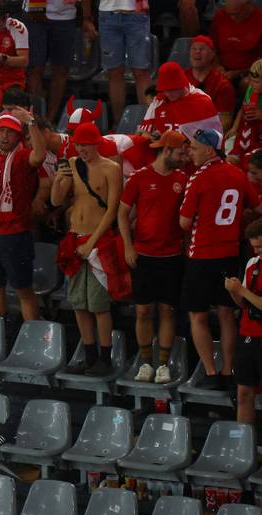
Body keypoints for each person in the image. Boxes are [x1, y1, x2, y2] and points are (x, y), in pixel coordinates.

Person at [181, 129, 262, 391]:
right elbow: (257, 208)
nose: (189, 152)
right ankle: (229, 371)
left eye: (193, 147)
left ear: (209, 149)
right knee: (227, 314)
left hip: (202, 254)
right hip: (229, 254)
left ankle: (211, 372)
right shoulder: (237, 174)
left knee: (198, 316)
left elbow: (183, 222)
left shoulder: (199, 177)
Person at [52, 123, 126, 376]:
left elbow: (112, 211)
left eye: (86, 145)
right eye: (78, 145)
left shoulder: (111, 168)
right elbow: (55, 200)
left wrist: (91, 242)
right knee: (78, 304)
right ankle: (89, 354)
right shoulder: (71, 164)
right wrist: (60, 179)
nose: (81, 150)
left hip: (98, 241)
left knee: (98, 304)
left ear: (96, 144)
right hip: (75, 239)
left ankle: (105, 357)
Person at [118, 130, 188, 383]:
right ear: (166, 150)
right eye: (180, 153)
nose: (184, 157)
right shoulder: (139, 178)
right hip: (144, 255)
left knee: (168, 311)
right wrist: (128, 246)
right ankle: (146, 363)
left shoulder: (183, 178)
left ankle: (163, 365)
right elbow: (122, 213)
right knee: (143, 311)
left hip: (171, 256)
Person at [0, 109, 46, 321]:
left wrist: (31, 122)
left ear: (19, 136)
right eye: (1, 131)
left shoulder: (23, 157)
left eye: (11, 132)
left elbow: (40, 155)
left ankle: (31, 340)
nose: (5, 136)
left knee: (23, 290)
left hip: (16, 234)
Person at [86, 0, 152, 123]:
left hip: (137, 14)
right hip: (108, 13)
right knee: (115, 71)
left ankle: (148, 125)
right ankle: (119, 124)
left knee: (141, 71)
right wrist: (87, 17)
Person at [226, 218, 262, 425]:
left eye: (260, 247)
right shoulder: (252, 264)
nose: (257, 252)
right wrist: (234, 292)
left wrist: (242, 291)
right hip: (248, 334)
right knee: (243, 394)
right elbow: (242, 303)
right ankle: (242, 445)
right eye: (254, 247)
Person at [139, 61, 222, 140]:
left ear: (182, 84)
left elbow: (214, 139)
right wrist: (153, 137)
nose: (167, 94)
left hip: (192, 152)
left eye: (171, 90)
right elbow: (143, 133)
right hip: (164, 151)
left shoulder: (202, 101)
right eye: (164, 90)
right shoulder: (158, 101)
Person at [24, 0, 77, 121]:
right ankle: (36, 118)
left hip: (65, 16)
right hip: (34, 13)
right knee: (34, 68)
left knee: (61, 69)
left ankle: (50, 119)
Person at [185, 35, 236, 133]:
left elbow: (225, 122)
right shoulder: (180, 79)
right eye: (194, 48)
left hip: (206, 138)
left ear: (212, 55)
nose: (197, 51)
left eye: (202, 48)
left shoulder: (222, 84)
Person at [211, 0, 262, 87]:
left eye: (237, 14)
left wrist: (240, 73)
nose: (232, 18)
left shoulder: (259, 19)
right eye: (229, 14)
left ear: (248, 7)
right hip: (223, 68)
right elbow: (212, 47)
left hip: (250, 71)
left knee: (247, 83)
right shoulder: (220, 16)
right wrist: (217, 66)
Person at [227, 59, 262, 169]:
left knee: (246, 163)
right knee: (229, 160)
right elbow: (242, 110)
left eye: (256, 81)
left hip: (258, 139)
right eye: (251, 80)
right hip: (246, 134)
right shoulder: (251, 89)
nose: (251, 84)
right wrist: (234, 128)